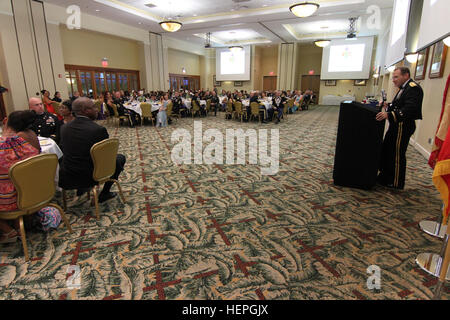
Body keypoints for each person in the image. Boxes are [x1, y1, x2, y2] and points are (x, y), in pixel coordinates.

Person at [59, 98, 126, 202]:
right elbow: (106, 156)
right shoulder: (97, 130)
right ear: (85, 110)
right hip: (89, 176)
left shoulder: (64, 128)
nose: (97, 110)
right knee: (119, 158)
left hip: (67, 174)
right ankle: (105, 193)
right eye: (94, 107)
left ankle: (83, 188)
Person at [376, 67, 423, 189]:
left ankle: (396, 182)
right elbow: (399, 105)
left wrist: (389, 114)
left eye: (396, 77)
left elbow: (409, 109)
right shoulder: (404, 88)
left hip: (403, 125)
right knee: (388, 150)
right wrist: (389, 105)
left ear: (406, 75)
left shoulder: (413, 88)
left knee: (396, 154)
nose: (393, 80)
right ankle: (386, 176)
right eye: (393, 77)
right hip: (396, 125)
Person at [0, 111, 40, 243]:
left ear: (5, 122)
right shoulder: (24, 144)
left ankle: (7, 231)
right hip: (31, 193)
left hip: (11, 201)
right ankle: (18, 225)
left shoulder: (2, 146)